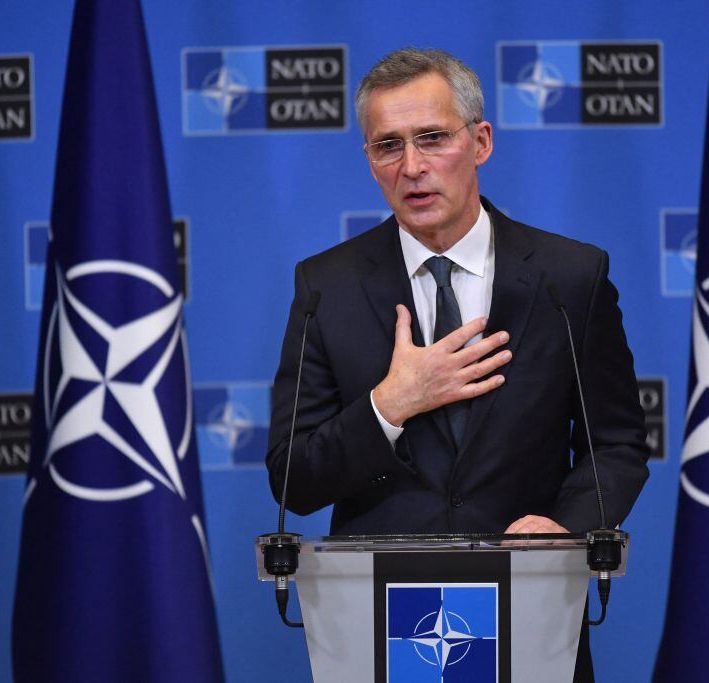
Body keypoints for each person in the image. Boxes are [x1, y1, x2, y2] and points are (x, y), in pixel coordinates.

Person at [266, 47, 649, 681]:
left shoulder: (570, 277)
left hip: (528, 613)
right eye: (387, 146)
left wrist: (564, 526)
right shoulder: (324, 287)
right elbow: (292, 480)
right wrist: (390, 405)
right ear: (369, 160)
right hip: (379, 622)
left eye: (432, 138)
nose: (411, 167)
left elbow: (617, 446)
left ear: (481, 141)